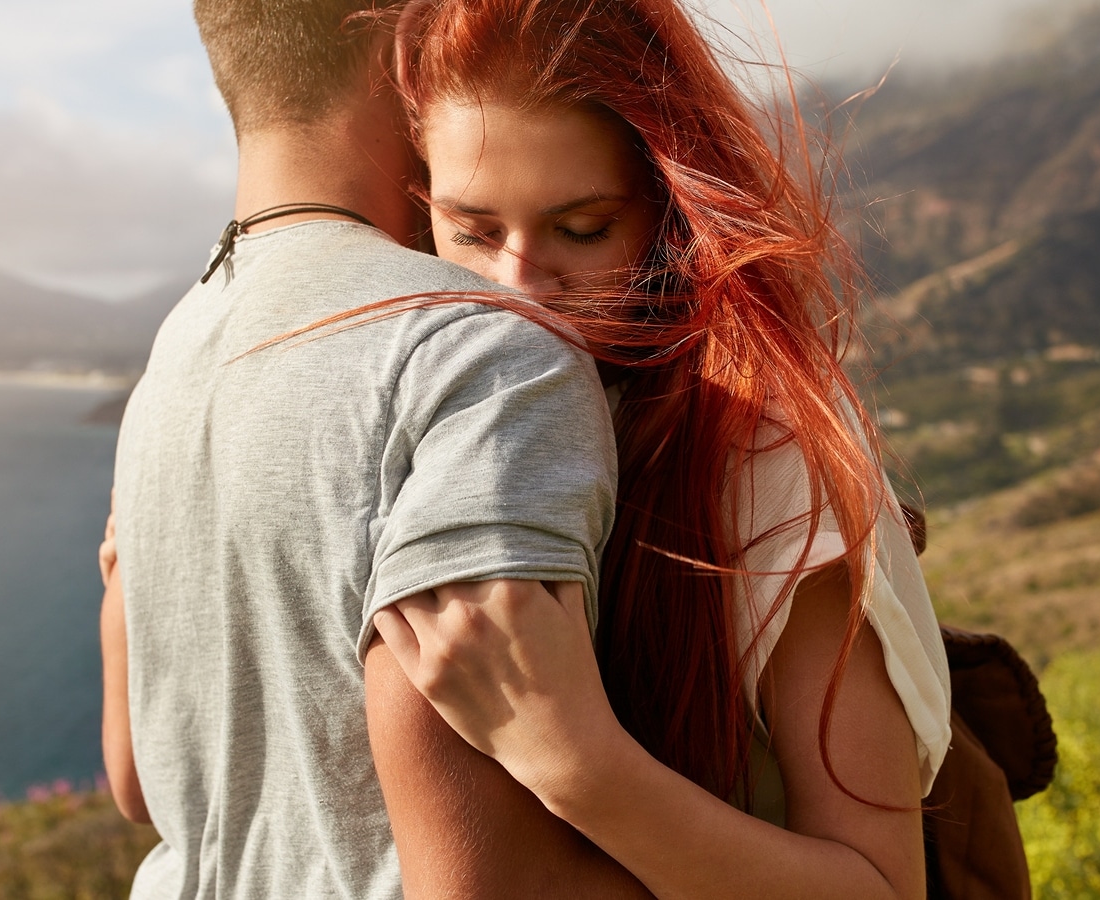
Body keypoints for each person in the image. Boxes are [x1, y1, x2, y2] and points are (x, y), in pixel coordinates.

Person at [357, 0, 954, 897]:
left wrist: (573, 759)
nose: (520, 289)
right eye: (473, 232)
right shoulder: (418, 414)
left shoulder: (765, 453)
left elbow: (882, 885)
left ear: (673, 217)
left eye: (584, 229)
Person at [101, 0, 662, 896]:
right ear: (412, 49)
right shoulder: (486, 352)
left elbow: (138, 786)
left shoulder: (173, 356)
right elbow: (482, 885)